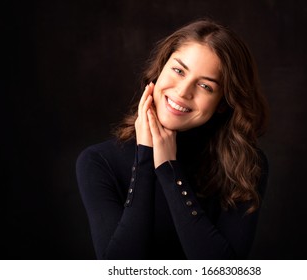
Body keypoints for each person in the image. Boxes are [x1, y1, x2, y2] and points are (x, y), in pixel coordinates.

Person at [76, 18, 269, 260]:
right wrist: (146, 157)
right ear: (159, 70)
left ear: (223, 103)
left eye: (205, 86)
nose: (182, 91)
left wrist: (170, 171)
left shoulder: (246, 166)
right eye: (178, 71)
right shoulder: (98, 162)